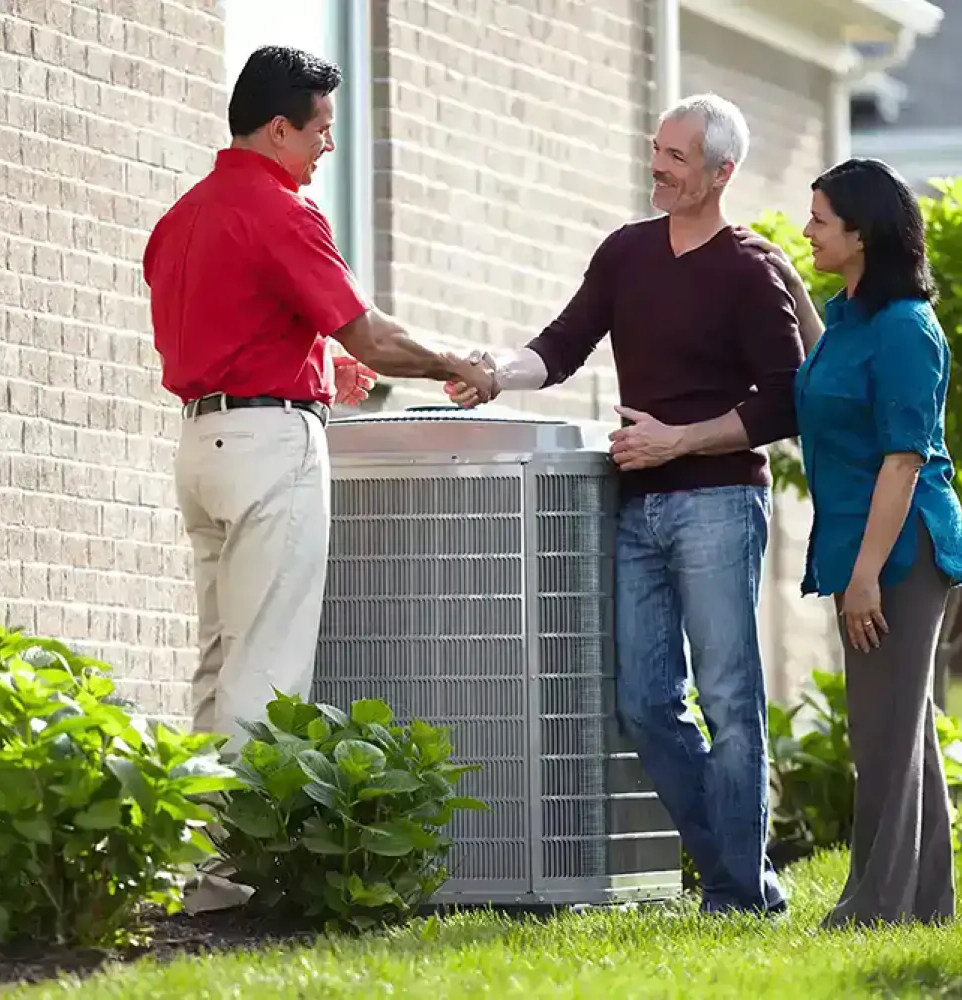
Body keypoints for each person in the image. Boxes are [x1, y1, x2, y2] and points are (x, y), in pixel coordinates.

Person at [446, 94, 804, 915]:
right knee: (643, 703)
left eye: (676, 157)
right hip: (637, 506)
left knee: (727, 699)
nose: (658, 166)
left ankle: (736, 896)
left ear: (722, 172)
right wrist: (497, 372)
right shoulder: (626, 254)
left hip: (717, 502)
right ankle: (739, 877)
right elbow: (560, 346)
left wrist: (678, 439)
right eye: (656, 149)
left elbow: (785, 402)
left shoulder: (749, 268)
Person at [143, 46, 496, 751]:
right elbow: (370, 336)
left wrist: (312, 369)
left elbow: (226, 334)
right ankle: (247, 863)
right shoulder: (281, 210)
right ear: (279, 129)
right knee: (266, 665)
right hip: (270, 456)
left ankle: (204, 857)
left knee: (219, 664)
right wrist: (455, 361)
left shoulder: (180, 217)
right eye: (319, 130)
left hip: (200, 451)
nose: (327, 145)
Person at [740, 158, 962, 928]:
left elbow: (904, 460)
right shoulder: (852, 318)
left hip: (900, 551)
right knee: (901, 731)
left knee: (884, 733)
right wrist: (793, 289)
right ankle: (926, 903)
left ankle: (874, 907)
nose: (806, 231)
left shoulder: (906, 329)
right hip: (861, 547)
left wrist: (867, 576)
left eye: (820, 221)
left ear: (861, 233)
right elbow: (821, 376)